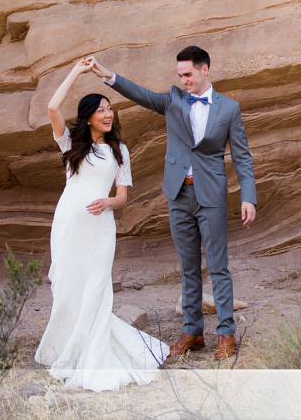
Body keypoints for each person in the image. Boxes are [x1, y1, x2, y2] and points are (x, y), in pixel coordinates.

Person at [88, 46, 256, 360]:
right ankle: (192, 332)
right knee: (188, 268)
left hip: (212, 196)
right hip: (178, 194)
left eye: (188, 74)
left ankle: (225, 334)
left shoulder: (229, 109)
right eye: (179, 75)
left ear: (205, 70)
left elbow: (243, 159)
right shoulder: (172, 99)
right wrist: (107, 75)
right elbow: (139, 93)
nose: (183, 80)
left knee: (218, 268)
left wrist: (248, 197)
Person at [34, 57, 169, 391]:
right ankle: (69, 348)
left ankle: (92, 353)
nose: (108, 115)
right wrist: (78, 72)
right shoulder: (71, 145)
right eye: (101, 110)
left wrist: (109, 201)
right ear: (89, 117)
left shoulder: (119, 150)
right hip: (68, 224)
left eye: (110, 109)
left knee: (95, 288)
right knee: (66, 287)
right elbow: (52, 107)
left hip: (100, 228)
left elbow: (122, 196)